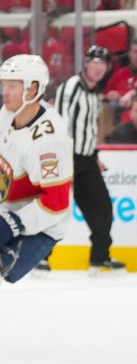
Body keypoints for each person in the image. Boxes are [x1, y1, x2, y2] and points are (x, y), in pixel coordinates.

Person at [0, 55, 73, 282]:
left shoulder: (48, 140)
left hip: (41, 225)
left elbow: (57, 203)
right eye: (4, 85)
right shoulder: (6, 114)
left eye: (12, 86)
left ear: (32, 90)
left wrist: (14, 222)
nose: (5, 92)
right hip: (8, 208)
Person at [54, 46, 126, 274]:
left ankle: (99, 257)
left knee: (102, 208)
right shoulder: (71, 87)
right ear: (86, 63)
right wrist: (63, 159)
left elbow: (89, 130)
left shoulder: (95, 94)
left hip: (86, 160)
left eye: (103, 64)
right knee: (55, 209)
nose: (99, 67)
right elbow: (63, 124)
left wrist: (94, 156)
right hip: (67, 158)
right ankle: (41, 258)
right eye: (95, 62)